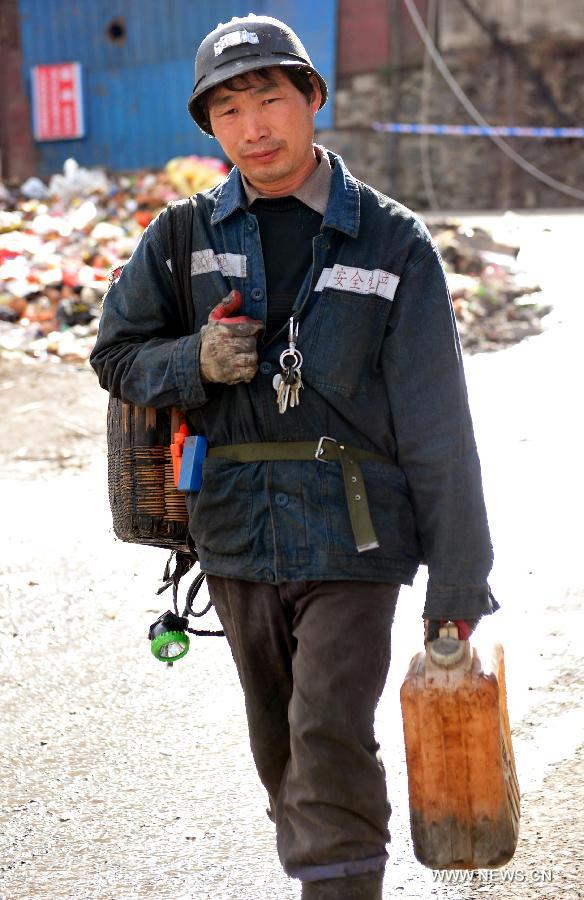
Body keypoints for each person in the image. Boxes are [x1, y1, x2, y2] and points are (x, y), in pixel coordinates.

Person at [90, 14, 497, 899]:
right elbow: (114, 356)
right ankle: (328, 865)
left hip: (353, 533)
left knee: (326, 733)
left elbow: (439, 427)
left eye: (270, 98)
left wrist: (458, 587)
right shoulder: (182, 236)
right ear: (211, 127)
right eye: (229, 110)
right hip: (232, 525)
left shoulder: (392, 243)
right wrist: (191, 358)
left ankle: (338, 884)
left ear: (312, 99)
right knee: (278, 742)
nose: (254, 127)